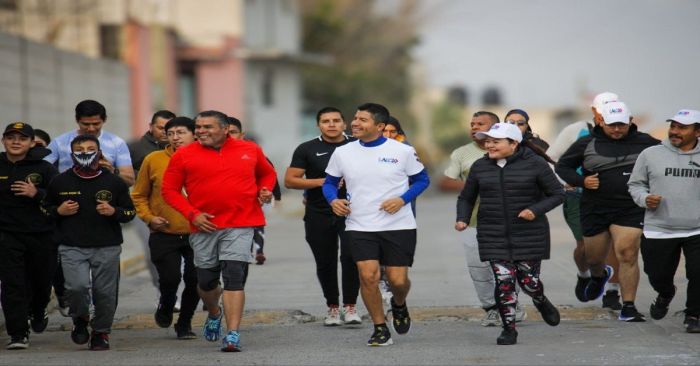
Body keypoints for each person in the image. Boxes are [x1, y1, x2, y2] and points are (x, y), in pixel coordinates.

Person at [161, 110, 276, 352]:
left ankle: (232, 333)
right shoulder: (184, 155)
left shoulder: (249, 149)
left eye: (207, 127)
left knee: (234, 276)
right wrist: (193, 215)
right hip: (204, 226)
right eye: (198, 127)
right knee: (206, 280)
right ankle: (214, 312)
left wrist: (264, 189)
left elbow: (267, 173)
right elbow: (169, 191)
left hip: (241, 223)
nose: (201, 131)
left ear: (225, 129)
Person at [323, 102, 430, 346]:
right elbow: (329, 183)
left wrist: (402, 200)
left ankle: (399, 304)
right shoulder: (343, 152)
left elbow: (422, 180)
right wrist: (333, 201)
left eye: (363, 119)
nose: (355, 123)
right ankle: (380, 327)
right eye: (355, 118)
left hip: (398, 225)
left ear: (380, 126)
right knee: (368, 277)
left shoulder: (402, 151)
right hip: (359, 225)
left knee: (398, 281)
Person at [456, 122, 564, 345]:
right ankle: (509, 329)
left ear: (513, 143)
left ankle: (540, 298)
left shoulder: (535, 164)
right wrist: (462, 218)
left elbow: (557, 194)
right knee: (504, 282)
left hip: (529, 233)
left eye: (495, 141)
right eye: (487, 141)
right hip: (492, 232)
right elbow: (466, 197)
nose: (489, 145)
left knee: (528, 282)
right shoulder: (480, 166)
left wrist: (534, 210)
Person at [555, 101, 659, 322]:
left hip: (630, 208)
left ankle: (629, 306)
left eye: (621, 125)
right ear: (601, 122)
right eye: (612, 125)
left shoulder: (646, 143)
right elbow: (562, 166)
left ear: (630, 122)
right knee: (593, 258)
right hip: (595, 208)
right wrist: (581, 180)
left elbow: (667, 159)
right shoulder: (587, 142)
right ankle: (598, 275)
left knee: (627, 253)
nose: (617, 130)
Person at [43, 134, 136, 350]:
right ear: (71, 153)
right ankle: (80, 319)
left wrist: (114, 211)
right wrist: (59, 210)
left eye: (90, 148)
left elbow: (130, 212)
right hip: (71, 246)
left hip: (107, 246)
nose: (85, 152)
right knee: (76, 288)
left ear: (99, 151)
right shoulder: (60, 181)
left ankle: (101, 332)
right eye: (80, 149)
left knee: (105, 292)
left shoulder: (114, 181)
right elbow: (45, 209)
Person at [443, 111, 525, 326]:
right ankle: (490, 308)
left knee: (507, 267)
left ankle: (511, 305)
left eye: (480, 124)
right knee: (479, 269)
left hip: (508, 220)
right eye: (472, 124)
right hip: (473, 221)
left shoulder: (513, 152)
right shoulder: (462, 154)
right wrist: (477, 184)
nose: (474, 127)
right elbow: (446, 182)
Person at [284, 107, 361, 326]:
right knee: (325, 262)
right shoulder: (307, 148)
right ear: (318, 125)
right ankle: (333, 308)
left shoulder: (356, 145)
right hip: (318, 212)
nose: (331, 124)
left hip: (352, 212)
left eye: (336, 120)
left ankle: (350, 307)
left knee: (351, 258)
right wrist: (324, 182)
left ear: (344, 124)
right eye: (326, 121)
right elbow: (290, 180)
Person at [547, 92, 623, 310]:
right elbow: (552, 160)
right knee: (586, 248)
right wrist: (567, 182)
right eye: (603, 109)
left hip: (614, 198)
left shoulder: (626, 134)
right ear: (594, 111)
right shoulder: (577, 131)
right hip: (579, 196)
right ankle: (584, 274)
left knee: (616, 245)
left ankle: (612, 292)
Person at [628, 109, 700, 333]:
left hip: (696, 227)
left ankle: (694, 314)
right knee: (657, 274)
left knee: (698, 273)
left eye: (682, 128)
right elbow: (635, 184)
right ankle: (666, 293)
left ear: (697, 131)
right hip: (659, 228)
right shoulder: (650, 154)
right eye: (673, 126)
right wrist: (644, 198)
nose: (675, 131)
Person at [131, 117, 200, 339]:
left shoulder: (206, 158)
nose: (175, 137)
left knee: (195, 280)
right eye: (170, 133)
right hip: (164, 231)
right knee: (169, 279)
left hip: (199, 233)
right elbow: (139, 195)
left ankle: (185, 323)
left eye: (181, 132)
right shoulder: (154, 159)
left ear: (194, 134)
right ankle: (166, 303)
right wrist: (149, 218)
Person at [0, 122, 59, 349]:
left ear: (31, 143)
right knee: (12, 284)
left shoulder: (44, 168)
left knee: (41, 282)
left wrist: (37, 193)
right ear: (4, 140)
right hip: (7, 235)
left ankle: (38, 308)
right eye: (11, 137)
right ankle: (17, 334)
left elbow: (59, 197)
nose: (16, 142)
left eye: (22, 138)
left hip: (41, 234)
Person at [128, 110, 176, 298]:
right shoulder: (136, 149)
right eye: (160, 128)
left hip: (179, 209)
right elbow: (124, 176)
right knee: (153, 252)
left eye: (170, 128)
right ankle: (161, 291)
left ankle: (182, 291)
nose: (166, 132)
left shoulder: (185, 147)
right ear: (151, 127)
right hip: (146, 209)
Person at [227, 117, 281, 265]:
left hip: (259, 197)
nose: (230, 136)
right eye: (227, 132)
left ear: (241, 134)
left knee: (256, 224)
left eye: (233, 132)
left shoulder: (257, 154)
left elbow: (270, 175)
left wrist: (276, 196)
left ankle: (257, 251)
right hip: (232, 203)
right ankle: (250, 251)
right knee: (247, 227)